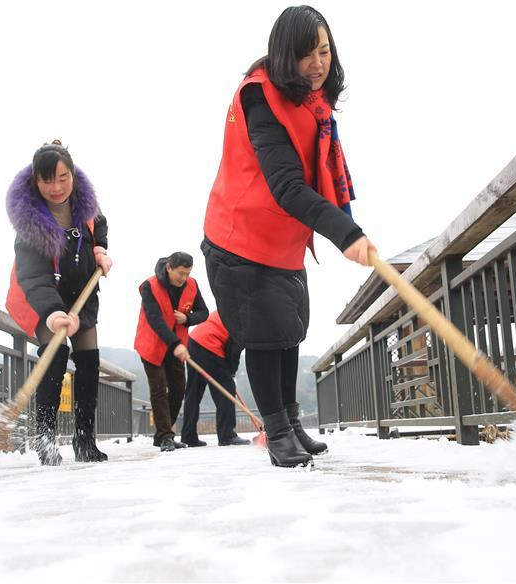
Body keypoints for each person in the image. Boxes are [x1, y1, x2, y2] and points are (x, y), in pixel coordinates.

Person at [202, 6, 376, 467]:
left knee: (289, 330)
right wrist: (346, 232)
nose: (318, 63)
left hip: (281, 239)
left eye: (324, 51)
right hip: (239, 237)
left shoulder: (311, 102)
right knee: (263, 334)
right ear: (284, 54)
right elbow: (287, 187)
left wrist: (344, 224)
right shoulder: (261, 98)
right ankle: (276, 431)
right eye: (306, 54)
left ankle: (293, 422)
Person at [6, 140, 113, 466]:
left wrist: (100, 249)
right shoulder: (30, 224)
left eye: (63, 177)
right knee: (56, 352)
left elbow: (101, 226)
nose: (56, 187)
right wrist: (53, 314)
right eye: (48, 180)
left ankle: (85, 440)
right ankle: (46, 438)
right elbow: (33, 277)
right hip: (41, 296)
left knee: (89, 359)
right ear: (35, 181)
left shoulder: (85, 207)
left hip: (81, 291)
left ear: (73, 175)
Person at [134, 252, 209, 452]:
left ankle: (163, 433)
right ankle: (165, 436)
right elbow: (155, 319)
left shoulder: (192, 285)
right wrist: (175, 343)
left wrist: (188, 319)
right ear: (169, 268)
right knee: (159, 389)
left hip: (177, 347)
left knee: (178, 388)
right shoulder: (150, 286)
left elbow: (204, 312)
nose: (183, 278)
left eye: (187, 273)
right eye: (180, 273)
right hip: (152, 345)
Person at [181, 311, 250, 447]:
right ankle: (227, 435)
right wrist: (231, 372)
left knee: (193, 392)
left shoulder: (229, 305)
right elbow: (233, 349)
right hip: (209, 344)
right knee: (227, 387)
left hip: (193, 341)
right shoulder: (245, 317)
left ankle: (188, 436)